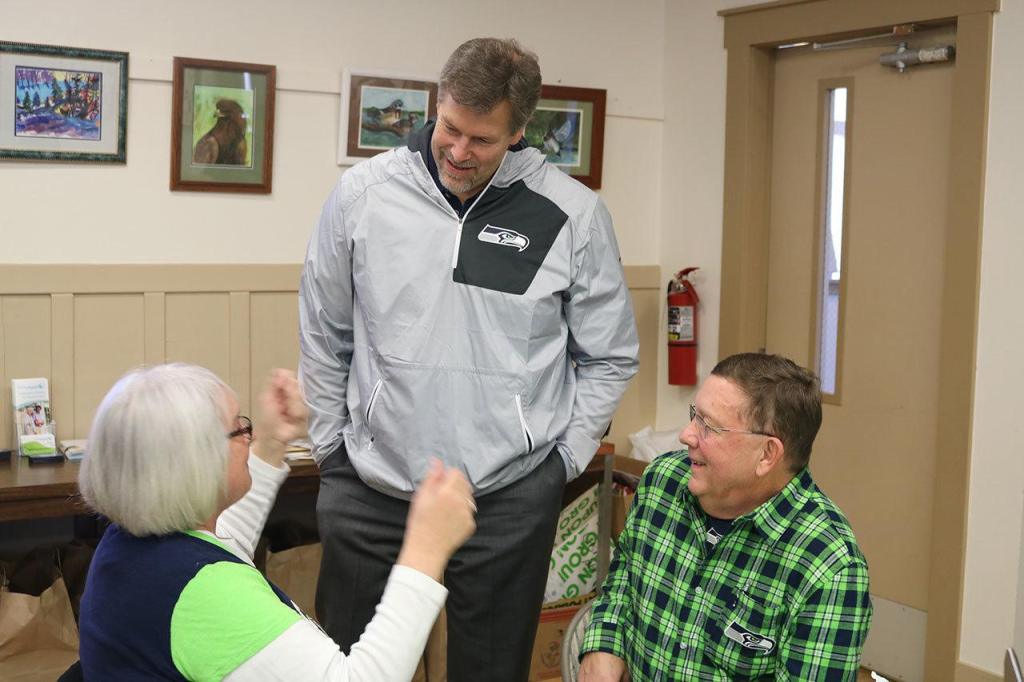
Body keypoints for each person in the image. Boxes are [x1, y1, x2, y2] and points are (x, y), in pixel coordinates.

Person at [299, 37, 638, 681]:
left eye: (481, 140)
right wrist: (330, 449)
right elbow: (323, 330)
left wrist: (560, 463)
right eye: (449, 128)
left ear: (518, 132)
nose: (457, 151)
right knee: (348, 670)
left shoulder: (574, 215)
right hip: (371, 489)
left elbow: (609, 355)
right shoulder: (361, 196)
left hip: (508, 496)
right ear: (437, 102)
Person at [77, 363, 476, 681]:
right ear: (197, 464)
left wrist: (271, 440)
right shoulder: (206, 596)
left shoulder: (132, 546)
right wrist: (426, 549)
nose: (247, 437)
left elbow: (222, 547)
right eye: (239, 428)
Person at [579, 353, 872, 681]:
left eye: (708, 426)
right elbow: (623, 580)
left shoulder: (829, 567)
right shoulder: (663, 481)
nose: (686, 435)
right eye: (695, 415)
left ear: (767, 454)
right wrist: (603, 643)